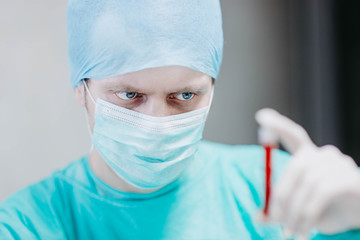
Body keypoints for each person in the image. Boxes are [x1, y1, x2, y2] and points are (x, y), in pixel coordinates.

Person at [1, 0, 360, 239]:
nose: (157, 122)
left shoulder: (280, 191)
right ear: (81, 89)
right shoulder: (26, 225)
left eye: (184, 96)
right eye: (130, 95)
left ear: (212, 87)